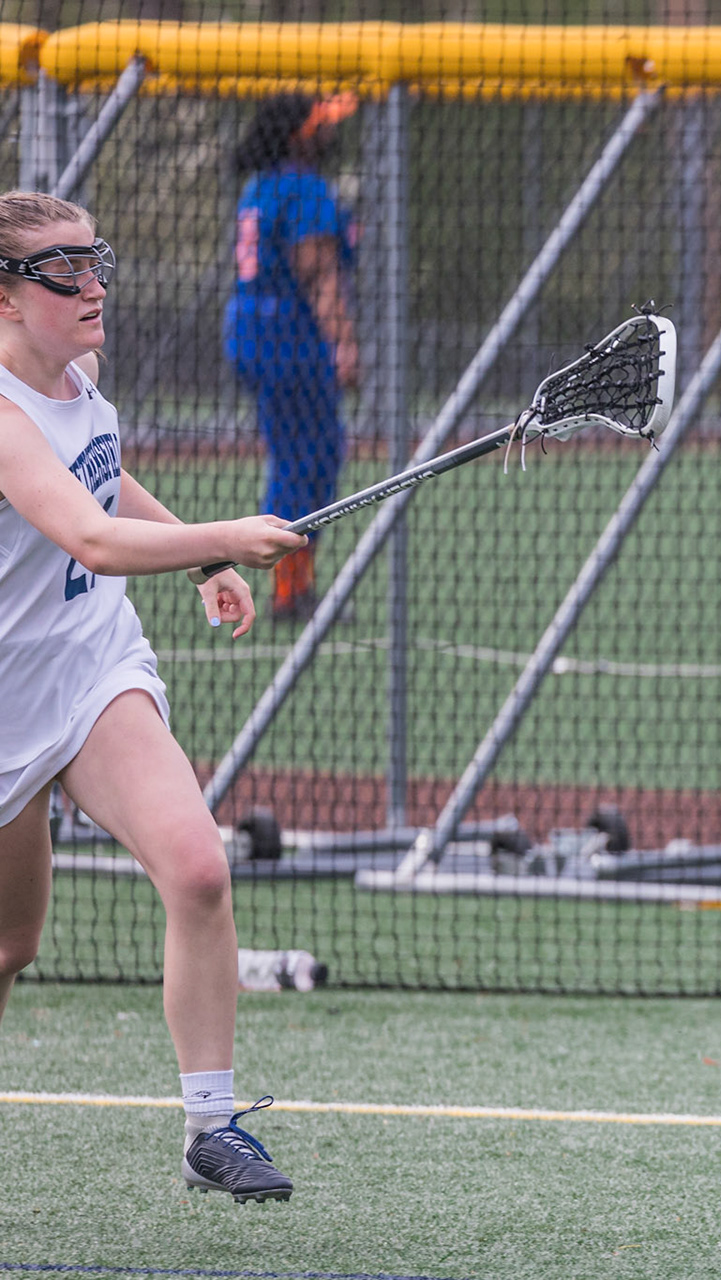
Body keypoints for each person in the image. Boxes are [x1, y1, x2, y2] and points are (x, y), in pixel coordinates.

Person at [0, 190, 309, 1202]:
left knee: (199, 868)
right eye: (62, 271)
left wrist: (194, 554)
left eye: (95, 260)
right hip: (5, 700)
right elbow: (89, 536)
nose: (92, 285)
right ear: (5, 298)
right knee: (9, 945)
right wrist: (224, 536)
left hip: (92, 666)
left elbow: (104, 481)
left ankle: (211, 1127)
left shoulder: (80, 377)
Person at [224, 91, 359, 622]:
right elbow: (319, 273)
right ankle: (289, 590)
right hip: (288, 338)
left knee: (303, 454)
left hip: (252, 328)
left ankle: (295, 585)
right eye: (320, 120)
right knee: (309, 458)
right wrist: (343, 343)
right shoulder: (304, 186)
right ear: (297, 133)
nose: (330, 128)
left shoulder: (262, 184)